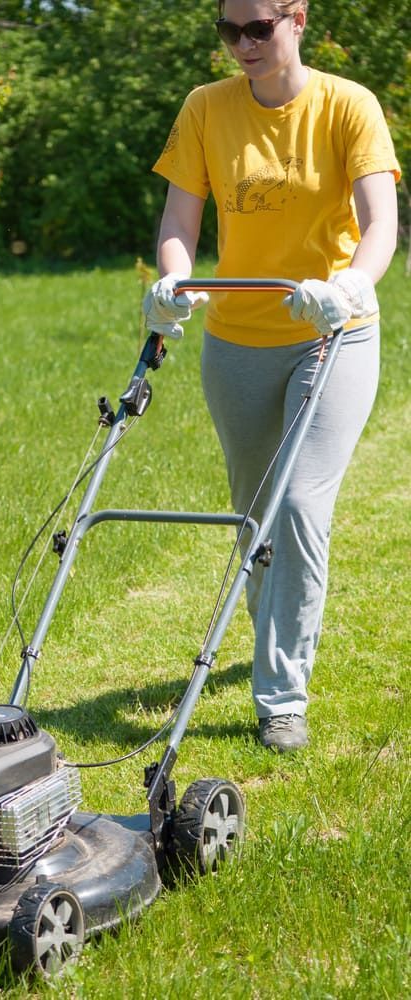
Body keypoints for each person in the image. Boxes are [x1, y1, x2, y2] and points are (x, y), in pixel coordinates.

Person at [143, 0, 400, 751]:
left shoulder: (348, 105)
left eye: (259, 28)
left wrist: (350, 287)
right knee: (254, 510)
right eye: (230, 31)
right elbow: (179, 222)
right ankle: (276, 619)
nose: (244, 45)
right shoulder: (206, 109)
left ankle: (281, 692)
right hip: (237, 337)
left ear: (298, 20)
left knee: (297, 504)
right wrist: (173, 281)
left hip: (333, 332)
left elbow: (380, 221)